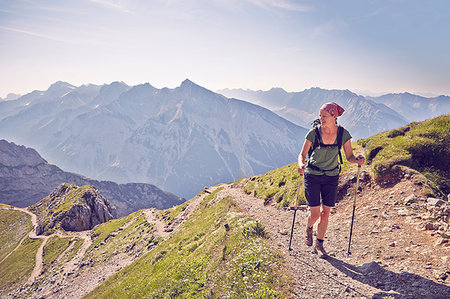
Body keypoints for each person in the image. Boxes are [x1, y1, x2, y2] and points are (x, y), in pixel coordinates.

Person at [297, 102, 365, 257]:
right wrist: (301, 164)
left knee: (326, 213)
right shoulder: (313, 133)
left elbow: (349, 157)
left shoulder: (343, 134)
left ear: (334, 116)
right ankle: (309, 228)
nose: (321, 119)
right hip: (312, 175)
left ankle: (319, 245)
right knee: (315, 214)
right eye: (320, 116)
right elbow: (302, 155)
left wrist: (358, 160)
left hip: (331, 176)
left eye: (324, 116)